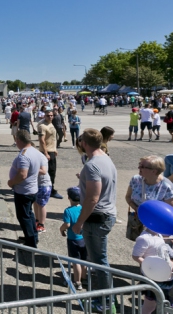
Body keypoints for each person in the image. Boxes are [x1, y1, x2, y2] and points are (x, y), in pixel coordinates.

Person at [72, 128, 118, 312]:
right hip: (106, 214)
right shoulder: (105, 158)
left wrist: (78, 222)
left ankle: (106, 301)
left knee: (99, 262)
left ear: (83, 143)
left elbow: (92, 198)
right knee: (99, 260)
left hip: (97, 217)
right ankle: (105, 298)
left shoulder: (92, 165)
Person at [7, 130, 47, 248]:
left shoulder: (24, 155)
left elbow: (22, 175)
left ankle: (31, 242)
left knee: (23, 217)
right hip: (31, 189)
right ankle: (32, 236)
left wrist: (11, 182)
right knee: (29, 215)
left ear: (19, 140)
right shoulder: (35, 152)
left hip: (24, 191)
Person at [125, 155, 173, 239]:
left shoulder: (166, 186)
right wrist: (136, 208)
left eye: (142, 166)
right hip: (139, 223)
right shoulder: (135, 180)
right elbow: (128, 197)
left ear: (154, 171)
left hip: (157, 227)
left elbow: (172, 211)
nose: (139, 167)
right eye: (139, 164)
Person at [132, 227, 173, 314]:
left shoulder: (158, 234)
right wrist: (152, 265)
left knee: (167, 305)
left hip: (168, 277)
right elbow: (136, 256)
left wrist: (171, 263)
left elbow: (165, 254)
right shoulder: (144, 238)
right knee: (150, 305)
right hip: (155, 277)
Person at [61, 186, 87, 291]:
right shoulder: (83, 209)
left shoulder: (68, 211)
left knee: (75, 261)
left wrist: (61, 229)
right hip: (84, 239)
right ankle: (84, 278)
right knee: (84, 260)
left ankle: (77, 282)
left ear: (69, 198)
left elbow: (67, 224)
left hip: (73, 239)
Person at [37, 110, 63, 199]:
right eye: (48, 115)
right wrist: (46, 153)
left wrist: (55, 149)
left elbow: (52, 138)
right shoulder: (42, 126)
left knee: (52, 172)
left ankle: (49, 189)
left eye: (52, 115)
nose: (50, 117)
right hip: (46, 152)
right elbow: (42, 140)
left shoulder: (51, 124)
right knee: (48, 172)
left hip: (51, 151)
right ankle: (50, 190)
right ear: (44, 116)